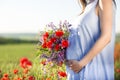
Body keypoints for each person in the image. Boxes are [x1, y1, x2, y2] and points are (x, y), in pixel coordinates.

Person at [66, 0, 116, 80]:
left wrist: (81, 64)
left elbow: (106, 37)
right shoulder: (88, 6)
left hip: (92, 71)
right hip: (77, 72)